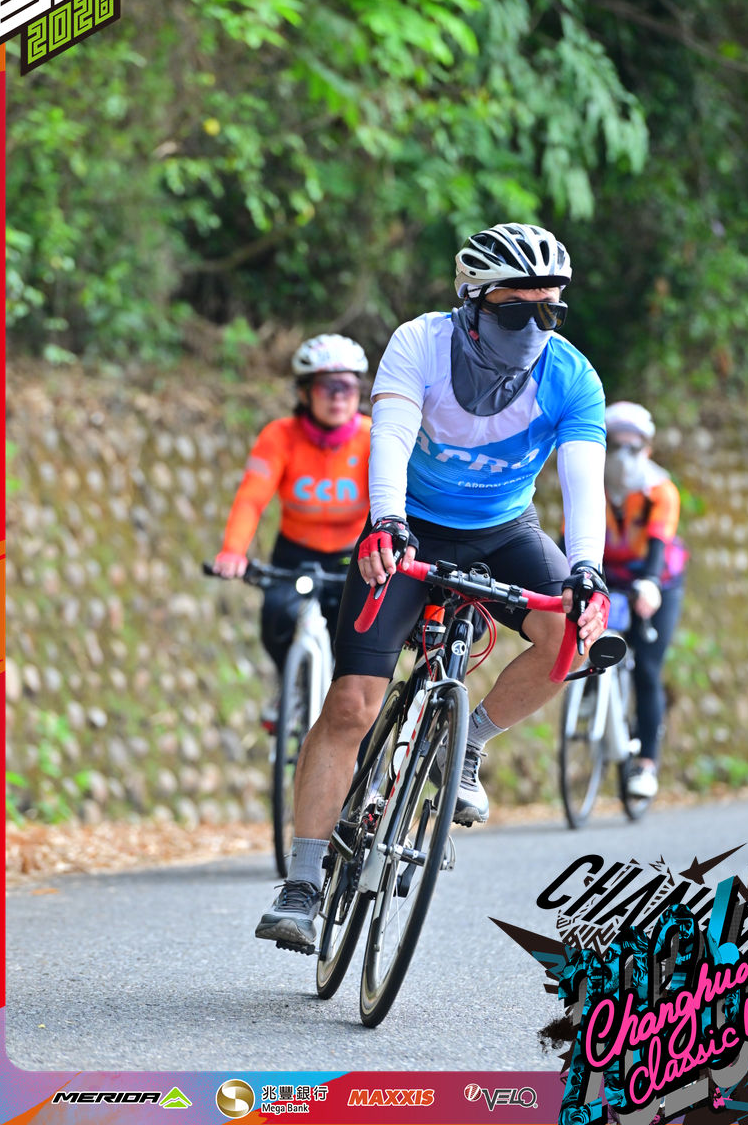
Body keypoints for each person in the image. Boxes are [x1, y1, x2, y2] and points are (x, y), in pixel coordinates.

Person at [255, 223, 611, 952]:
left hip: (504, 530)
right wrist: (386, 521)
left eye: (549, 311)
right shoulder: (421, 343)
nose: (533, 327)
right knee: (351, 704)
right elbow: (387, 436)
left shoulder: (572, 377)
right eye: (515, 310)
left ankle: (467, 745)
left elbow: (584, 483)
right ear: (472, 303)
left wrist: (586, 571)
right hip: (409, 522)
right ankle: (302, 881)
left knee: (570, 635)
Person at [212, 334, 371, 702]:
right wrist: (233, 551)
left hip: (353, 557)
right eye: (327, 387)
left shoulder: (374, 436)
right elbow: (251, 499)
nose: (338, 397)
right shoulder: (279, 436)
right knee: (275, 619)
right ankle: (290, 687)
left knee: (357, 643)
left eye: (348, 387)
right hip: (295, 553)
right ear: (304, 392)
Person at [602, 400, 687, 800]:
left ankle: (647, 764)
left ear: (647, 450)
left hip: (658, 583)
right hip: (610, 577)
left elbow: (657, 548)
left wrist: (650, 584)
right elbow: (571, 541)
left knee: (647, 669)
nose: (623, 456)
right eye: (615, 445)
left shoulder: (661, 491)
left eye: (632, 447)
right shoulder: (591, 485)